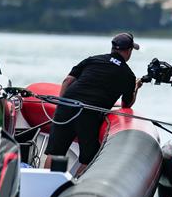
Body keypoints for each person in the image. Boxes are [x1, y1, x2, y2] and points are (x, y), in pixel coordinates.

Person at [44, 33, 143, 175]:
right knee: (90, 158)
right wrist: (135, 88)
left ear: (112, 48)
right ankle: (72, 186)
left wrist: (61, 104)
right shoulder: (128, 75)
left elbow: (67, 81)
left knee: (55, 153)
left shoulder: (93, 60)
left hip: (66, 107)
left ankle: (47, 185)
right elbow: (126, 105)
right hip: (88, 114)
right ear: (128, 51)